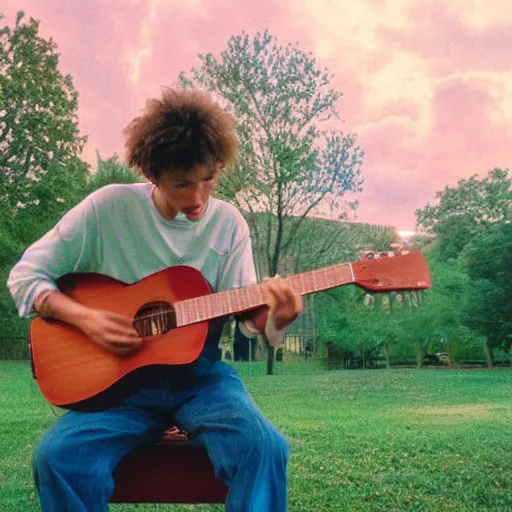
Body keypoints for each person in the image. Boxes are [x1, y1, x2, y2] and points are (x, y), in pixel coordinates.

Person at [7, 88, 303, 512]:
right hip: (119, 388)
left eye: (209, 179)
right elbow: (25, 275)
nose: (198, 198)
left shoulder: (229, 223)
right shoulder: (107, 210)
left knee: (265, 448)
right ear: (153, 174)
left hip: (200, 381)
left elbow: (248, 319)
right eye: (182, 183)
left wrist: (279, 317)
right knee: (59, 458)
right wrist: (84, 319)